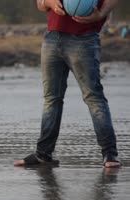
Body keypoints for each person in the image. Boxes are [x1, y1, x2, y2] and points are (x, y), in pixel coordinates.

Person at [14, 0, 122, 168]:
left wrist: (101, 14)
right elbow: (40, 4)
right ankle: (43, 155)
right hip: (52, 38)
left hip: (84, 38)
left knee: (93, 97)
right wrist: (49, 2)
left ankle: (110, 154)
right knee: (51, 99)